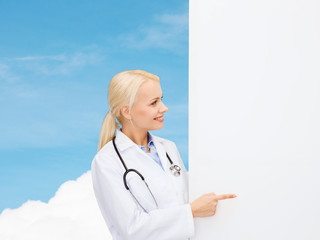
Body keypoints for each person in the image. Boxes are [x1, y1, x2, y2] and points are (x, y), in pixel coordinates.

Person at [91, 70, 237, 240]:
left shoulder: (168, 148)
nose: (164, 108)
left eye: (161, 99)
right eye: (154, 103)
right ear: (127, 112)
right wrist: (192, 211)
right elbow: (132, 229)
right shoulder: (106, 162)